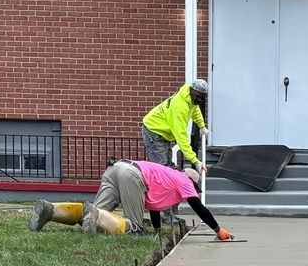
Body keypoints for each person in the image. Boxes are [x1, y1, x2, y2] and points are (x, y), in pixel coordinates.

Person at [30, 153, 234, 240]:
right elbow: (199, 207)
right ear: (192, 182)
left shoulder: (168, 176)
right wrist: (218, 230)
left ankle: (51, 210)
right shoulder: (184, 180)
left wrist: (156, 231)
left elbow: (154, 207)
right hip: (132, 176)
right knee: (134, 227)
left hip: (118, 168)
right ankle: (99, 217)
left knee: (91, 214)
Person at [141, 78, 208, 168]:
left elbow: (195, 110)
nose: (200, 100)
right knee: (161, 167)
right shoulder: (180, 108)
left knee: (169, 166)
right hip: (154, 131)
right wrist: (195, 161)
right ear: (191, 91)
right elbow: (181, 137)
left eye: (202, 97)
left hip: (163, 133)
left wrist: (202, 127)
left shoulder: (189, 98)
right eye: (198, 96)